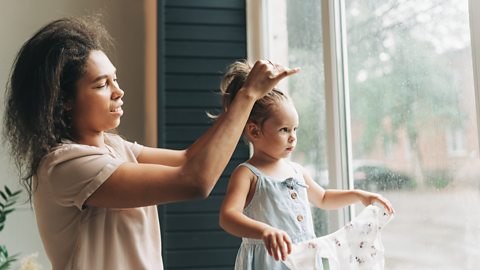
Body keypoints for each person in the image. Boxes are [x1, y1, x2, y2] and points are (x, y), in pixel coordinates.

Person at [2, 16, 300, 270]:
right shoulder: (65, 165)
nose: (118, 92)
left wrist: (239, 101)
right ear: (64, 100)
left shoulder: (114, 147)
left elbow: (185, 159)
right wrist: (247, 96)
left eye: (115, 79)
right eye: (102, 84)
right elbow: (194, 181)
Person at [218, 60, 395, 270]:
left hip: (304, 260)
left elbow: (323, 198)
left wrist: (358, 195)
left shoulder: (297, 170)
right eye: (284, 130)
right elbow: (228, 216)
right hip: (268, 263)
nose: (293, 137)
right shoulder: (247, 174)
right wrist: (264, 231)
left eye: (295, 129)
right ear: (255, 131)